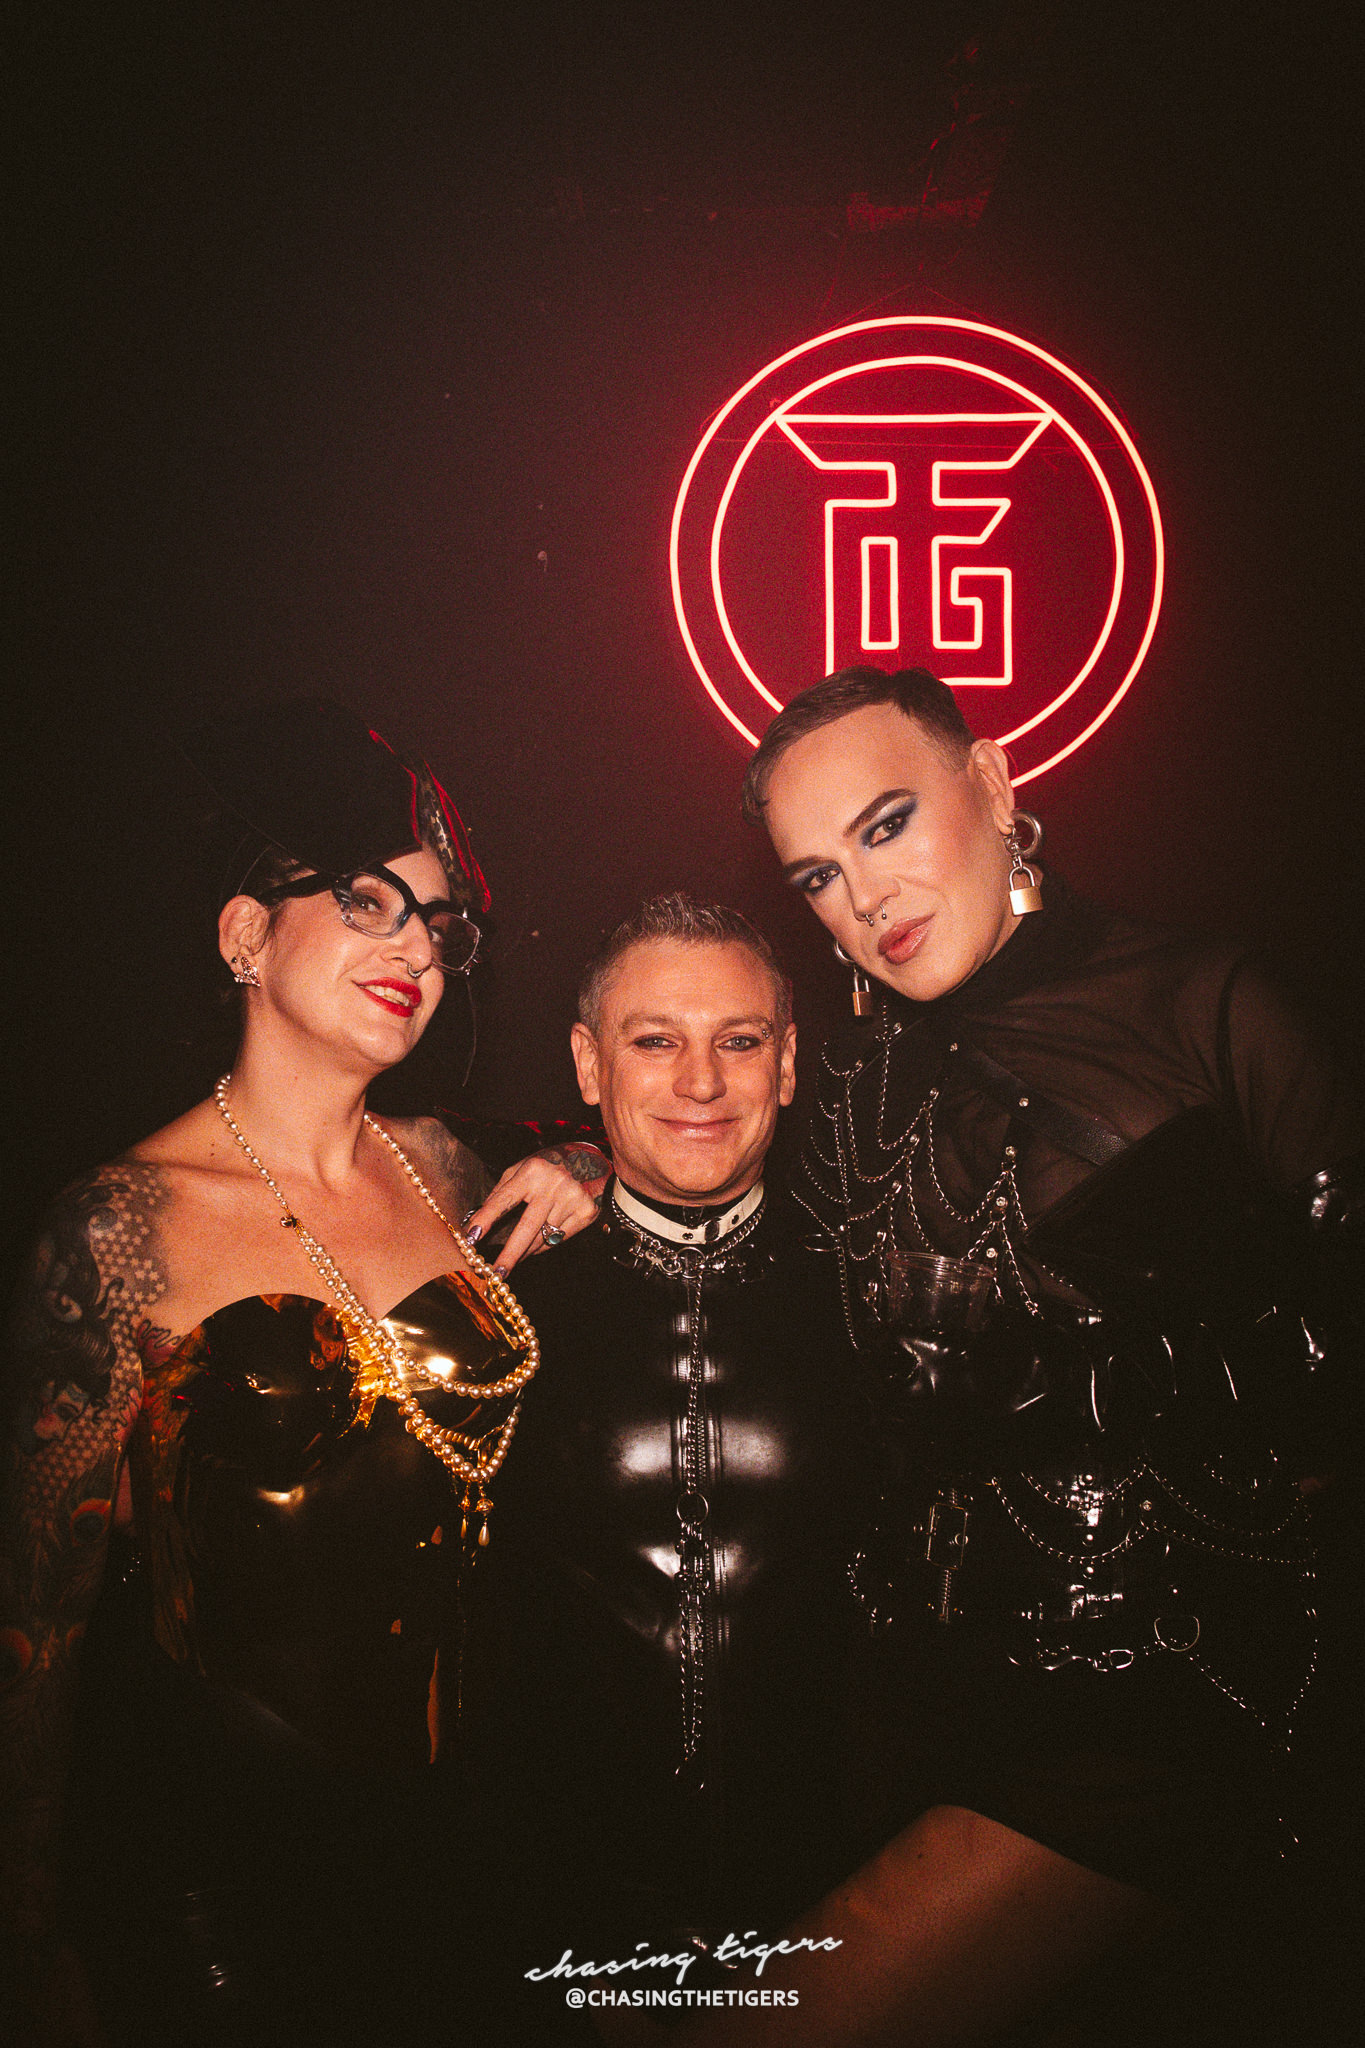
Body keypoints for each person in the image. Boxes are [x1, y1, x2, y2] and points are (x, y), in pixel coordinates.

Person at [681, 664, 1364, 2046]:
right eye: (819, 877)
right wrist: (577, 1168)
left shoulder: (1206, 1003)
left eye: (886, 827)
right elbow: (710, 1181)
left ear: (992, 783)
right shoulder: (853, 1081)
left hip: (1160, 1709)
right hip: (900, 1697)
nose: (866, 899)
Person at [0, 700, 603, 2048]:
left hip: (474, 1859)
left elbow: (643, 1127)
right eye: (368, 902)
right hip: (222, 1890)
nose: (418, 948)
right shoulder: (119, 1226)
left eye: (438, 925)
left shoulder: (449, 1166)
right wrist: (27, 1947)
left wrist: (585, 1160)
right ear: (244, 935)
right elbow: (31, 1634)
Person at [455, 895, 871, 2038]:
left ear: (789, 1063)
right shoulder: (496, 1302)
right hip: (547, 1932)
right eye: (655, 1040)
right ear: (589, 1063)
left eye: (739, 1039)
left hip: (829, 1920)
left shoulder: (869, 1295)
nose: (701, 1081)